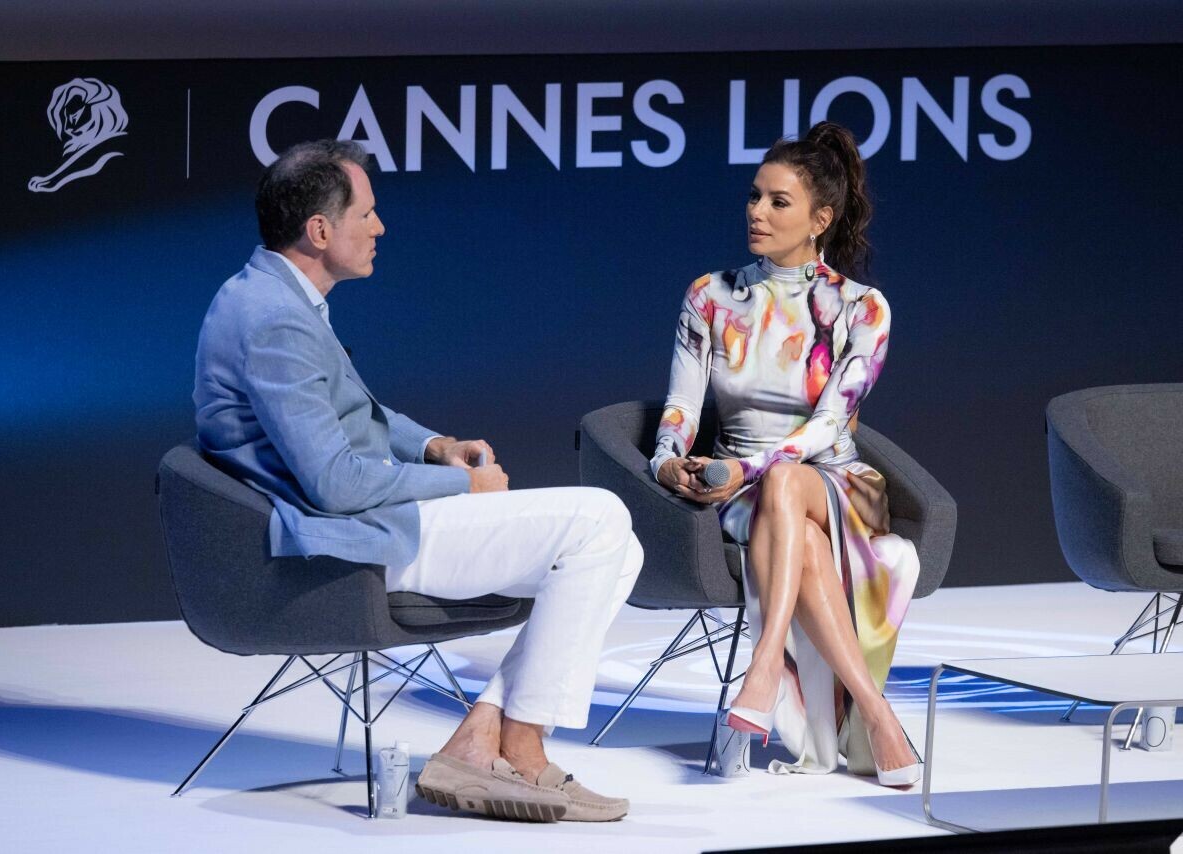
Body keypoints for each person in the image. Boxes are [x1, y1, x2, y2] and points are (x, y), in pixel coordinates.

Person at [193, 139, 642, 822]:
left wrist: (435, 448)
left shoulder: (272, 293)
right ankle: (522, 750)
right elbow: (334, 485)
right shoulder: (275, 319)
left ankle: (481, 735)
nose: (380, 227)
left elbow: (357, 410)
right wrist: (463, 488)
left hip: (360, 518)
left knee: (620, 550)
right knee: (600, 519)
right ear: (319, 231)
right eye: (366, 214)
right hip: (343, 542)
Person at [650, 122, 922, 785]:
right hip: (743, 491)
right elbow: (681, 407)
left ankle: (765, 665)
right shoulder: (710, 295)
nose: (757, 212)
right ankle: (877, 715)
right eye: (754, 196)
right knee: (788, 516)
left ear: (820, 219)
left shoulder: (863, 308)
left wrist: (749, 468)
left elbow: (829, 425)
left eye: (778, 201)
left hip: (837, 485)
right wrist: (666, 460)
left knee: (787, 484)